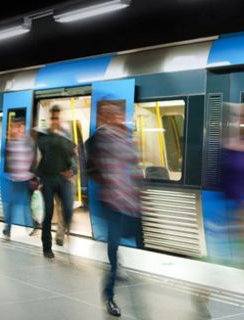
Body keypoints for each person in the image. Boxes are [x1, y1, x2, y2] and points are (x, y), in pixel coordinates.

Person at [86, 102, 142, 317]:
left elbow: (134, 164)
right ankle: (109, 295)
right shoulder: (98, 139)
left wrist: (137, 189)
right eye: (113, 114)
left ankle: (115, 261)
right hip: (112, 200)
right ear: (105, 117)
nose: (118, 117)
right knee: (114, 242)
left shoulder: (125, 138)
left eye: (119, 114)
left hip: (128, 200)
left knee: (123, 237)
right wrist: (106, 181)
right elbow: (91, 164)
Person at [35, 105, 77, 259]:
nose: (55, 121)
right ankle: (47, 247)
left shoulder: (66, 134)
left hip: (63, 177)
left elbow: (73, 154)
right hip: (47, 177)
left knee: (68, 209)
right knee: (48, 212)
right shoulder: (43, 134)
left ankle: (62, 234)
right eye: (53, 118)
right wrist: (55, 135)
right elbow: (44, 148)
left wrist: (72, 171)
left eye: (57, 118)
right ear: (50, 118)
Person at [2, 117, 35, 238]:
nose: (14, 129)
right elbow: (9, 161)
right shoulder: (11, 144)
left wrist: (34, 177)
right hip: (15, 180)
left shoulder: (29, 142)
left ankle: (30, 227)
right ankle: (7, 228)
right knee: (11, 204)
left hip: (26, 180)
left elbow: (34, 160)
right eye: (13, 127)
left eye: (16, 126)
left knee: (27, 205)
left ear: (22, 127)